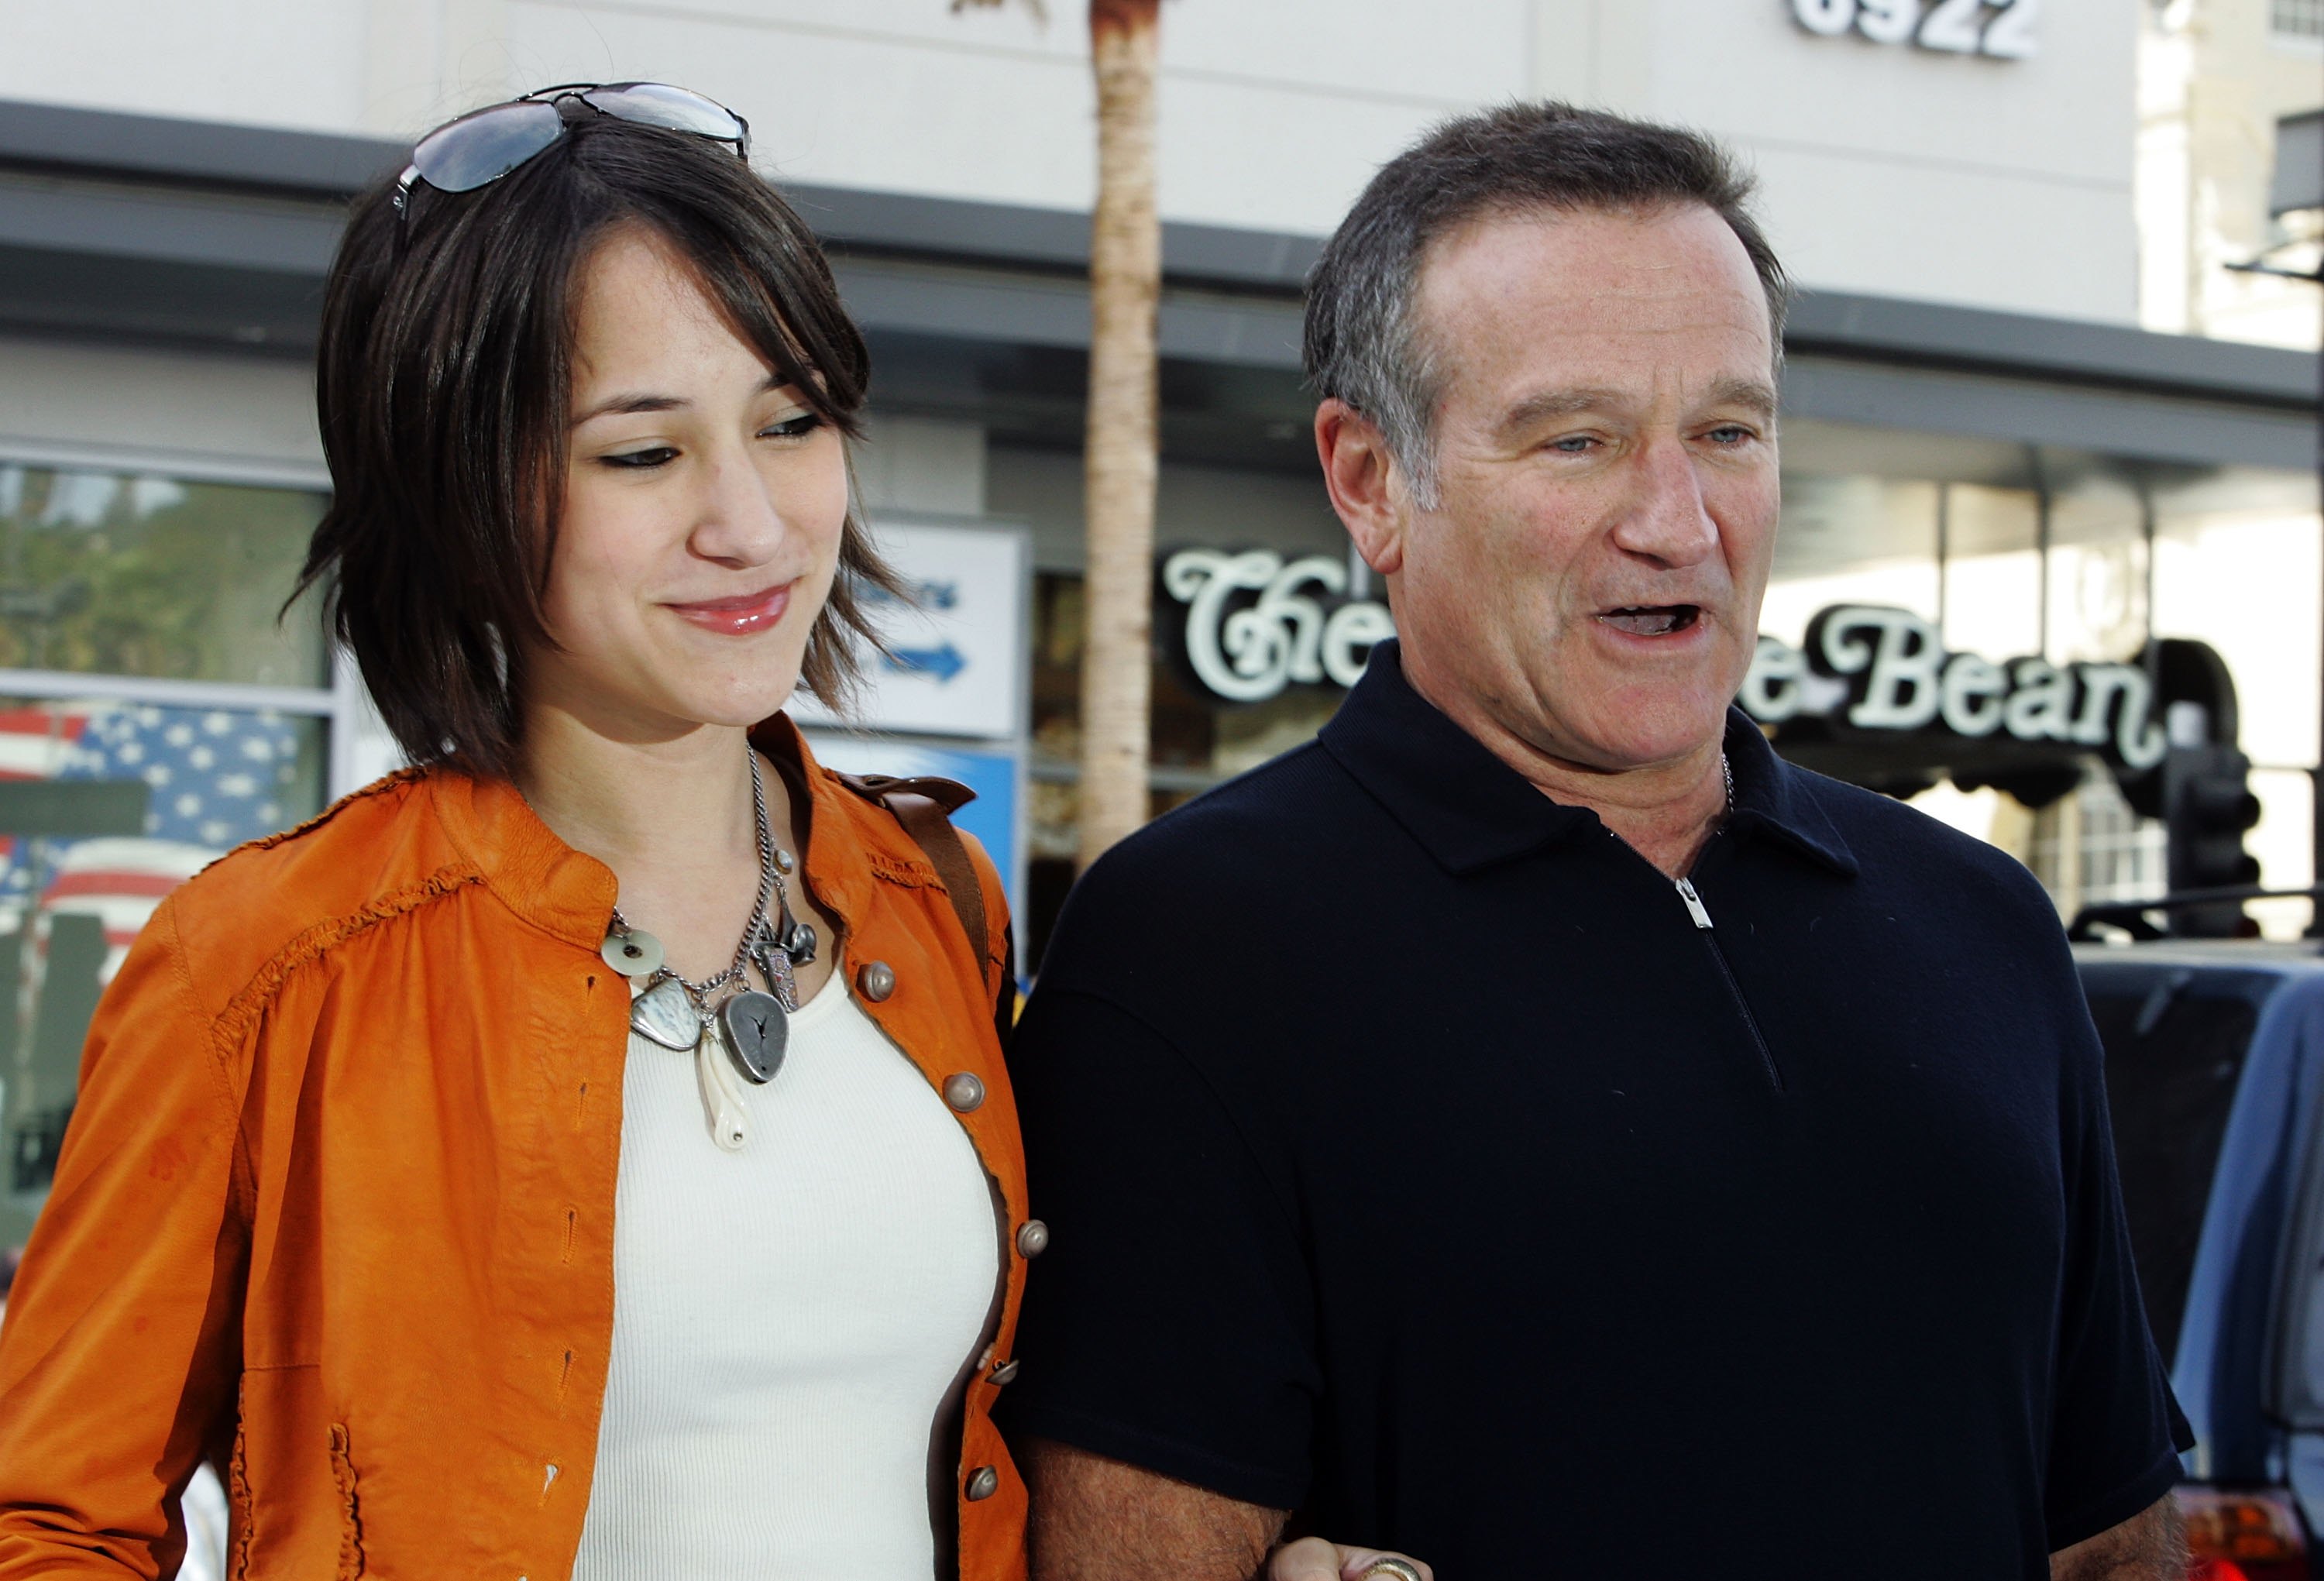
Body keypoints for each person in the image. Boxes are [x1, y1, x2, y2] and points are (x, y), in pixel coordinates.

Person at [0, 84, 1415, 1581]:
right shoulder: (268, 966)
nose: (750, 521)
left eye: (790, 421)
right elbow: (47, 1526)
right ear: (462, 483)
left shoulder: (928, 896)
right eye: (641, 453)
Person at [998, 103, 2194, 1580]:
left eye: (1728, 432)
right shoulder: (1195, 948)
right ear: (1370, 481)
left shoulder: (1983, 921)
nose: (1676, 520)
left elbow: (2112, 1540)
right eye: (1579, 438)